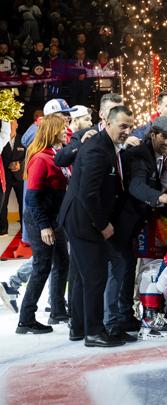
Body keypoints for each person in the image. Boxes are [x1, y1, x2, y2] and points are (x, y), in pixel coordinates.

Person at [57, 105, 134, 348]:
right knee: (94, 277)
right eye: (123, 126)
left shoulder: (105, 146)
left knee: (85, 276)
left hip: (83, 219)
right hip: (83, 221)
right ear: (108, 123)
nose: (127, 131)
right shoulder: (97, 149)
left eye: (130, 126)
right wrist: (102, 224)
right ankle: (94, 332)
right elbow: (87, 193)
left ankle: (79, 327)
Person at [111, 116, 167, 341]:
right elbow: (136, 186)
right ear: (153, 134)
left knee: (128, 268)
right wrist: (159, 197)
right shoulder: (139, 155)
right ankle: (113, 321)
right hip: (122, 222)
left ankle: (125, 316)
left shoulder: (159, 154)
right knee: (120, 271)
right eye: (165, 138)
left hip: (137, 222)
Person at [15, 115, 69, 335]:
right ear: (52, 131)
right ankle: (26, 320)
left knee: (62, 262)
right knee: (42, 266)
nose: (66, 131)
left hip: (53, 218)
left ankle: (57, 311)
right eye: (62, 128)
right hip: (42, 219)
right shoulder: (40, 158)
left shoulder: (55, 154)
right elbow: (32, 198)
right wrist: (44, 226)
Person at [1, 120, 25, 236]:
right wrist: (8, 165)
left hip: (19, 176)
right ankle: (2, 229)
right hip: (5, 176)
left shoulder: (23, 139)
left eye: (12, 123)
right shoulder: (1, 139)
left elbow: (28, 155)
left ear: (17, 125)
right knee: (3, 203)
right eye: (8, 123)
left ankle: (25, 230)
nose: (10, 125)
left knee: (23, 203)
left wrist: (20, 164)